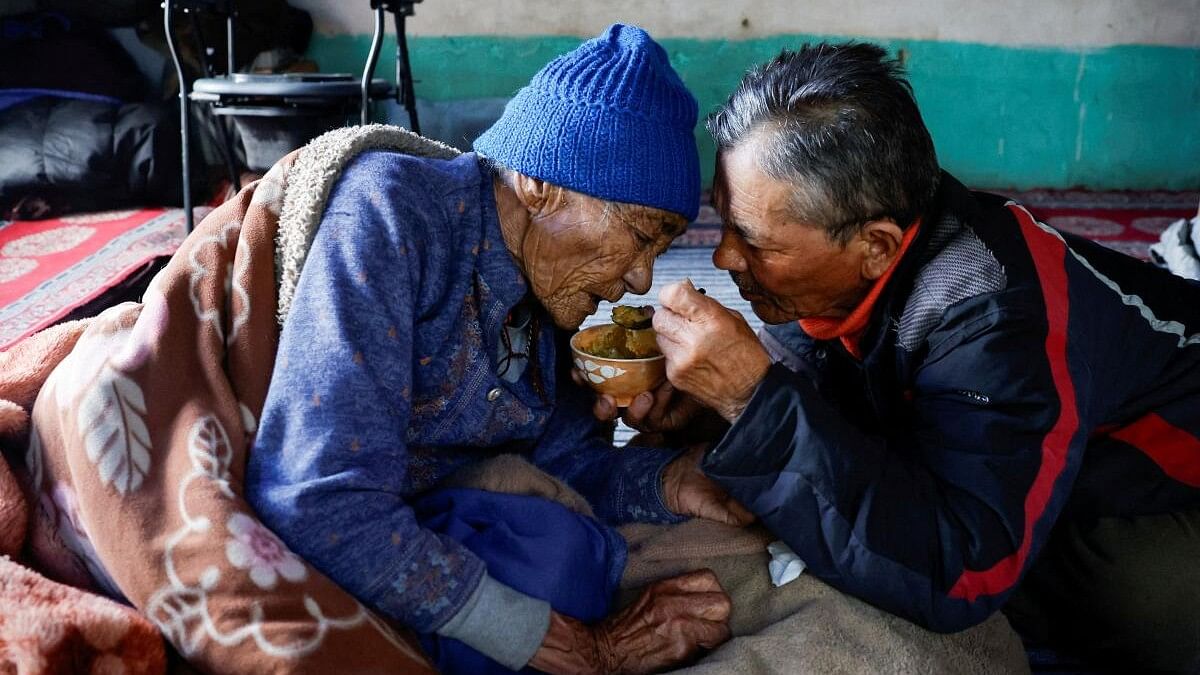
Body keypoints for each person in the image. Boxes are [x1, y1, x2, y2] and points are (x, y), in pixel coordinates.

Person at [595, 42, 1200, 672]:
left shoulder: (993, 318)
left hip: (1170, 493)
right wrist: (711, 411)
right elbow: (830, 409)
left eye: (751, 240)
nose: (721, 259)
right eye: (722, 223)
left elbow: (964, 572)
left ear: (876, 247)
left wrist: (749, 399)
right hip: (1070, 460)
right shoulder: (850, 265)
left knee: (1128, 604)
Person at [246, 24, 749, 675]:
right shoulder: (390, 215)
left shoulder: (546, 291)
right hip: (332, 503)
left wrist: (671, 481)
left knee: (576, 545)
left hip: (416, 502)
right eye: (643, 235)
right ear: (542, 188)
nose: (642, 278)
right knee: (560, 564)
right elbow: (315, 493)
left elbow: (563, 465)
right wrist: (579, 649)